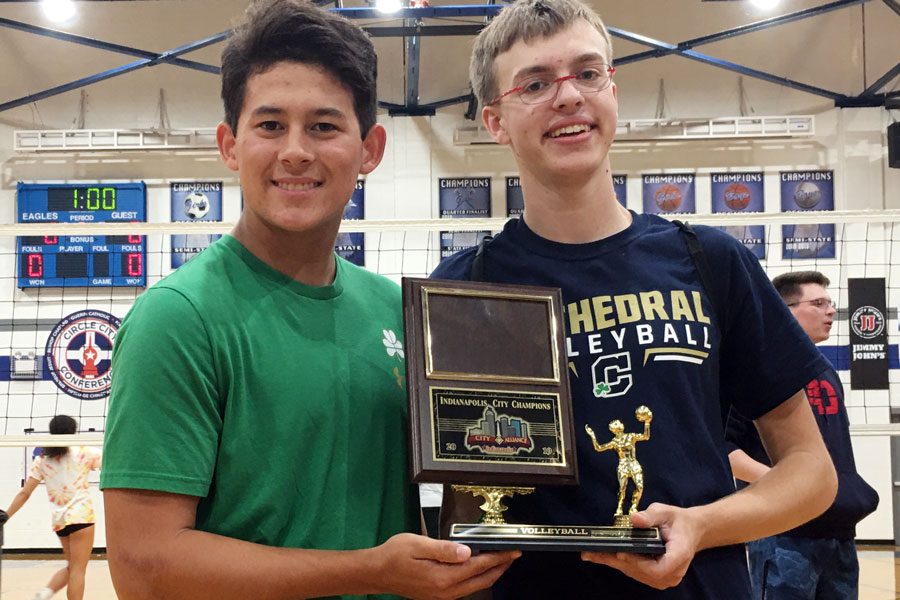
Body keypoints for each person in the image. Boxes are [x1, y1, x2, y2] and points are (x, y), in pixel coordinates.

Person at [99, 2, 518, 599]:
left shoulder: (397, 309)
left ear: (370, 149)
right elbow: (144, 568)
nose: (295, 151)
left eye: (324, 126)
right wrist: (369, 570)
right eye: (270, 125)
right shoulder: (177, 319)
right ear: (229, 144)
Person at [433, 0, 838, 597]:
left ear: (612, 90)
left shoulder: (711, 260)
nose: (568, 97)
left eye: (588, 72)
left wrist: (702, 525)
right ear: (494, 121)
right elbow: (467, 498)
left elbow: (812, 475)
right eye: (536, 83)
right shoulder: (466, 283)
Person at [726, 271, 879, 599]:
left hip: (838, 535)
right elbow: (725, 447)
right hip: (784, 535)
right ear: (786, 311)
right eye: (819, 303)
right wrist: (786, 484)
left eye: (830, 303)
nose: (830, 311)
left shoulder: (824, 368)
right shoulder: (756, 368)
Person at [4, 415, 101, 600]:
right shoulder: (84, 451)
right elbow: (112, 463)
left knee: (72, 567)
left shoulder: (42, 460)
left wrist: (6, 515)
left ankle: (44, 594)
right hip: (82, 518)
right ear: (73, 431)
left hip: (60, 522)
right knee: (78, 571)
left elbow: (25, 493)